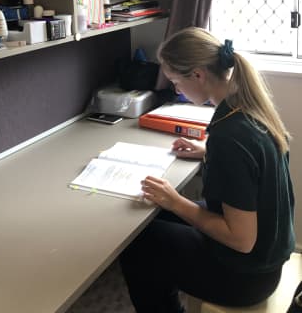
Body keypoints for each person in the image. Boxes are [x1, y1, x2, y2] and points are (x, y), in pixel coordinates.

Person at [120, 27, 295, 313]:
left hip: (247, 276)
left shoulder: (229, 136)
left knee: (140, 246)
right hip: (267, 255)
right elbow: (254, 164)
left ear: (198, 75)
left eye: (176, 82)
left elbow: (241, 240)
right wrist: (207, 152)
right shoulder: (246, 106)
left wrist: (176, 201)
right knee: (156, 218)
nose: (177, 90)